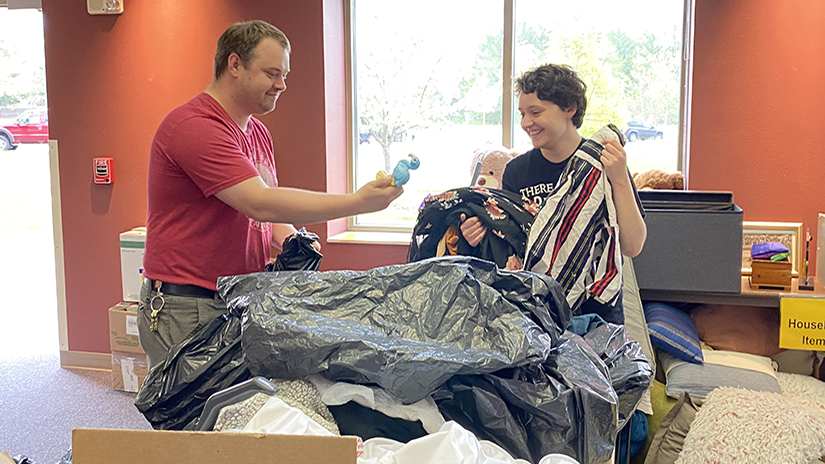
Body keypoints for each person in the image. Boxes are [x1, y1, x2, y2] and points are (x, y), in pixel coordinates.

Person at [138, 20, 403, 367]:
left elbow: (264, 214)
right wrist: (357, 203)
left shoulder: (257, 132)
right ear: (235, 65)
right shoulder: (195, 128)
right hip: (187, 307)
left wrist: (292, 240)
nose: (281, 85)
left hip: (237, 297)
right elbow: (258, 202)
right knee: (197, 421)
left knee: (239, 413)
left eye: (285, 75)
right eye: (272, 73)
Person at [460, 63, 647, 323]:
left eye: (535, 112)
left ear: (569, 108)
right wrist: (477, 235)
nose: (526, 123)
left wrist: (619, 180)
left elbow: (632, 246)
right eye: (522, 113)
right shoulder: (516, 171)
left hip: (597, 317)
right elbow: (514, 249)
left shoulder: (603, 164)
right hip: (538, 313)